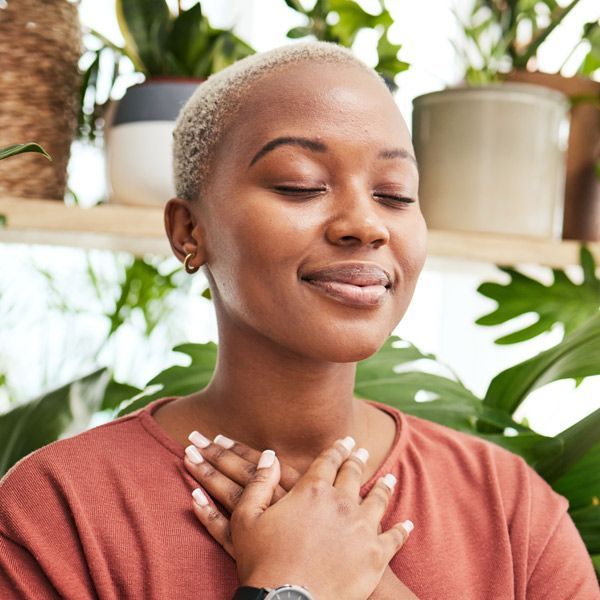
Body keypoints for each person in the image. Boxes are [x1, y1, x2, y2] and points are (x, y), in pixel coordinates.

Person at [0, 40, 597, 600]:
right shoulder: (57, 511)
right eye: (300, 184)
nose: (367, 224)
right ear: (189, 231)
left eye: (395, 193)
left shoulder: (512, 507)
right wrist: (293, 585)